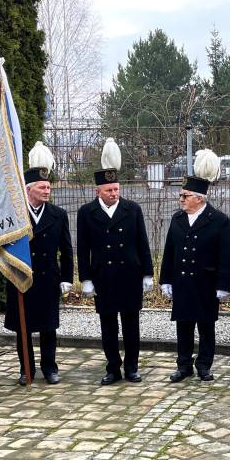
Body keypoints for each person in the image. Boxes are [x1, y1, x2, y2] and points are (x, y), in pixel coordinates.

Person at [77, 138, 154, 384]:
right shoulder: (86, 212)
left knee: (131, 324)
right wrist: (86, 279)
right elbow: (82, 248)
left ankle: (132, 367)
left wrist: (148, 273)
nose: (114, 194)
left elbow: (143, 242)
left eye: (117, 189)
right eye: (109, 191)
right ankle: (113, 368)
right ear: (97, 192)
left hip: (129, 273)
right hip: (104, 276)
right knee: (108, 324)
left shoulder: (132, 209)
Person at [159, 149, 230, 382]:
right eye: (181, 195)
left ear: (199, 198)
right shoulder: (177, 219)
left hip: (206, 282)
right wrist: (166, 279)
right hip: (182, 281)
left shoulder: (218, 220)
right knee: (183, 325)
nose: (181, 199)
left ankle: (204, 365)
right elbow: (169, 251)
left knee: (206, 325)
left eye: (185, 195)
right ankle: (183, 365)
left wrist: (223, 285)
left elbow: (225, 256)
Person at [4, 141, 73, 386]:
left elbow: (66, 250)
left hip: (47, 278)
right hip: (21, 277)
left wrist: (66, 278)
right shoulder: (14, 215)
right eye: (42, 187)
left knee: (47, 326)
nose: (47, 191)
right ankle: (26, 370)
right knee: (23, 327)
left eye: (49, 187)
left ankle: (50, 368)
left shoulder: (58, 215)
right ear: (29, 189)